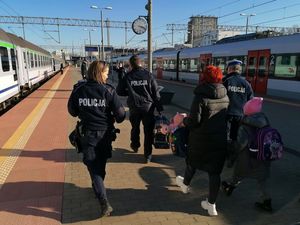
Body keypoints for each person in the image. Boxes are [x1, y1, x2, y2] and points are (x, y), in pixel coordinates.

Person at [68, 61, 126, 217]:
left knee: (95, 168)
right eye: (106, 72)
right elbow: (121, 116)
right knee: (98, 167)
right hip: (105, 135)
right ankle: (103, 201)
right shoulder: (109, 91)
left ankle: (98, 188)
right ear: (99, 73)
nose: (108, 75)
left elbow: (72, 111)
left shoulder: (79, 90)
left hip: (88, 135)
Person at [175, 65, 229, 216]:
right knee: (214, 173)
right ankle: (211, 205)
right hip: (219, 139)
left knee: (192, 162)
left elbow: (194, 121)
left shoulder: (200, 96)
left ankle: (185, 185)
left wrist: (183, 120)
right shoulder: (225, 95)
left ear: (204, 77)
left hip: (200, 139)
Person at [222, 97, 273, 212]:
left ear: (247, 111)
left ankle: (230, 186)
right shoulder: (265, 121)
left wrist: (232, 156)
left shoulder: (245, 125)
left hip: (248, 157)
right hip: (263, 156)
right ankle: (267, 201)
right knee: (261, 179)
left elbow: (240, 144)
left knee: (239, 173)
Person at [116, 55, 163, 163]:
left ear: (131, 65)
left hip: (134, 107)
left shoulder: (128, 76)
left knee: (135, 128)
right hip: (148, 108)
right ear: (141, 63)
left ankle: (135, 145)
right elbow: (156, 93)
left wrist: (129, 93)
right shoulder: (149, 75)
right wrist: (159, 108)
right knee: (148, 132)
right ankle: (148, 155)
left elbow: (119, 91)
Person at [223, 59, 253, 142]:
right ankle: (234, 151)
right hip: (240, 114)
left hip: (226, 113)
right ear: (239, 70)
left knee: (224, 134)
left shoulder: (225, 81)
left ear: (230, 69)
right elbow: (250, 99)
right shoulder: (246, 83)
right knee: (235, 136)